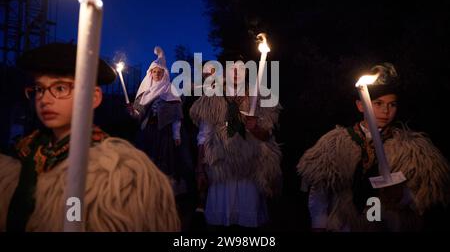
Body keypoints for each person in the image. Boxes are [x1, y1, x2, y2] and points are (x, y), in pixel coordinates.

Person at [0, 43, 180, 232]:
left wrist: (174, 133)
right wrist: (133, 112)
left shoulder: (112, 171)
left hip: (162, 136)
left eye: (60, 88)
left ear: (94, 97)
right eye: (39, 89)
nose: (45, 99)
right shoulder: (24, 153)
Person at [297, 63, 450, 231]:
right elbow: (320, 191)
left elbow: (426, 194)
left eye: (392, 104)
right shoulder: (335, 142)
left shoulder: (411, 148)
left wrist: (402, 196)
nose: (386, 110)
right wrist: (318, 224)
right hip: (345, 225)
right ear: (361, 105)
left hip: (388, 225)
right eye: (378, 103)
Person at [190, 58, 282, 228]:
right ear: (224, 73)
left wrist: (255, 128)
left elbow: (267, 135)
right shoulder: (212, 99)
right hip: (221, 166)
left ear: (246, 73)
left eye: (240, 68)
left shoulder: (259, 97)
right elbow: (203, 136)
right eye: (232, 68)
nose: (236, 71)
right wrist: (200, 169)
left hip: (249, 167)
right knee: (221, 220)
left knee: (247, 218)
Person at [128, 46, 186, 195]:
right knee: (146, 161)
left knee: (164, 163)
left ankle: (162, 193)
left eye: (160, 72)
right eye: (155, 72)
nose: (157, 74)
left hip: (164, 134)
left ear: (164, 73)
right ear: (150, 73)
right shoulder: (144, 92)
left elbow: (175, 117)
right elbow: (138, 115)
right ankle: (143, 191)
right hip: (147, 132)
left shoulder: (170, 91)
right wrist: (132, 112)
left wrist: (177, 135)